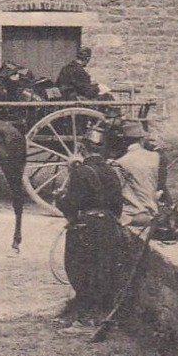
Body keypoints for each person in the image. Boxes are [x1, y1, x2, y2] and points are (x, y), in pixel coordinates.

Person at [55, 123, 125, 327]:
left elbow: (72, 205)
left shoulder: (80, 172)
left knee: (78, 267)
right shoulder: (111, 172)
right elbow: (117, 204)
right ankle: (100, 309)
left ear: (83, 148)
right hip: (109, 225)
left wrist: (60, 200)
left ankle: (84, 309)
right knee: (103, 267)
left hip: (86, 227)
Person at [111, 119, 164, 230]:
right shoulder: (155, 156)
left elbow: (116, 192)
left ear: (123, 141)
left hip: (136, 215)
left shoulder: (120, 163)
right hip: (153, 210)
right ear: (141, 140)